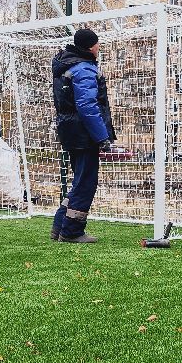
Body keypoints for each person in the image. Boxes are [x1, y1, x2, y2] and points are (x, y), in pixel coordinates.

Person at [50, 27, 115, 243]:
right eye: (97, 44)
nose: (99, 47)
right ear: (90, 46)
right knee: (86, 182)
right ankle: (71, 232)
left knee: (79, 181)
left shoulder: (66, 66)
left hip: (70, 131)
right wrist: (101, 137)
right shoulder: (84, 68)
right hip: (83, 134)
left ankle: (60, 225)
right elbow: (87, 105)